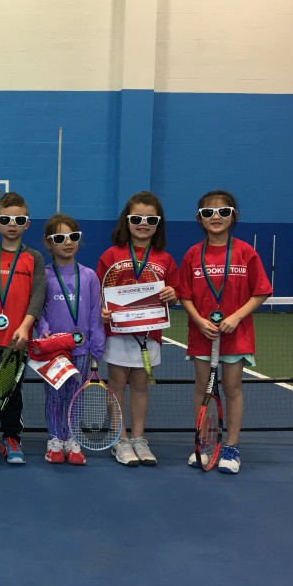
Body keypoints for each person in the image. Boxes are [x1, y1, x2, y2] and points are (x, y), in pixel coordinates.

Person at [178, 190, 271, 474]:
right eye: (208, 212)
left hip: (236, 334)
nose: (215, 217)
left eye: (223, 211)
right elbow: (185, 295)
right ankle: (204, 442)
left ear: (234, 216)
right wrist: (198, 320)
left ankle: (231, 447)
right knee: (202, 388)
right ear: (200, 218)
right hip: (202, 334)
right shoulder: (193, 254)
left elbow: (261, 292)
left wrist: (236, 317)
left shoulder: (245, 252)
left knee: (232, 388)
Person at [96, 191, 178, 467]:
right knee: (117, 385)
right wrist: (102, 309)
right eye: (137, 218)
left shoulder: (165, 259)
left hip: (149, 334)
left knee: (141, 386)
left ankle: (139, 438)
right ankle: (119, 439)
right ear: (127, 221)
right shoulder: (111, 255)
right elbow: (99, 291)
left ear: (158, 223)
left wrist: (172, 295)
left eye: (150, 219)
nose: (143, 223)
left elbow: (175, 292)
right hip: (118, 333)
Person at [0, 192, 46, 466]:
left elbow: (37, 296)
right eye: (5, 219)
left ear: (27, 224)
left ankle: (12, 437)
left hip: (17, 340)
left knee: (13, 393)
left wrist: (25, 328)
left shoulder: (34, 258)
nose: (12, 224)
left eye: (19, 220)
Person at [34, 214, 105, 465]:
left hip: (82, 350)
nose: (68, 242)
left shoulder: (89, 276)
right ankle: (55, 440)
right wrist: (44, 330)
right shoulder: (43, 276)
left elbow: (95, 314)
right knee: (54, 396)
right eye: (60, 238)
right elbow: (38, 310)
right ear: (48, 242)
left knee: (76, 396)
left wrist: (97, 349)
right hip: (54, 350)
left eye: (73, 237)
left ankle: (73, 439)